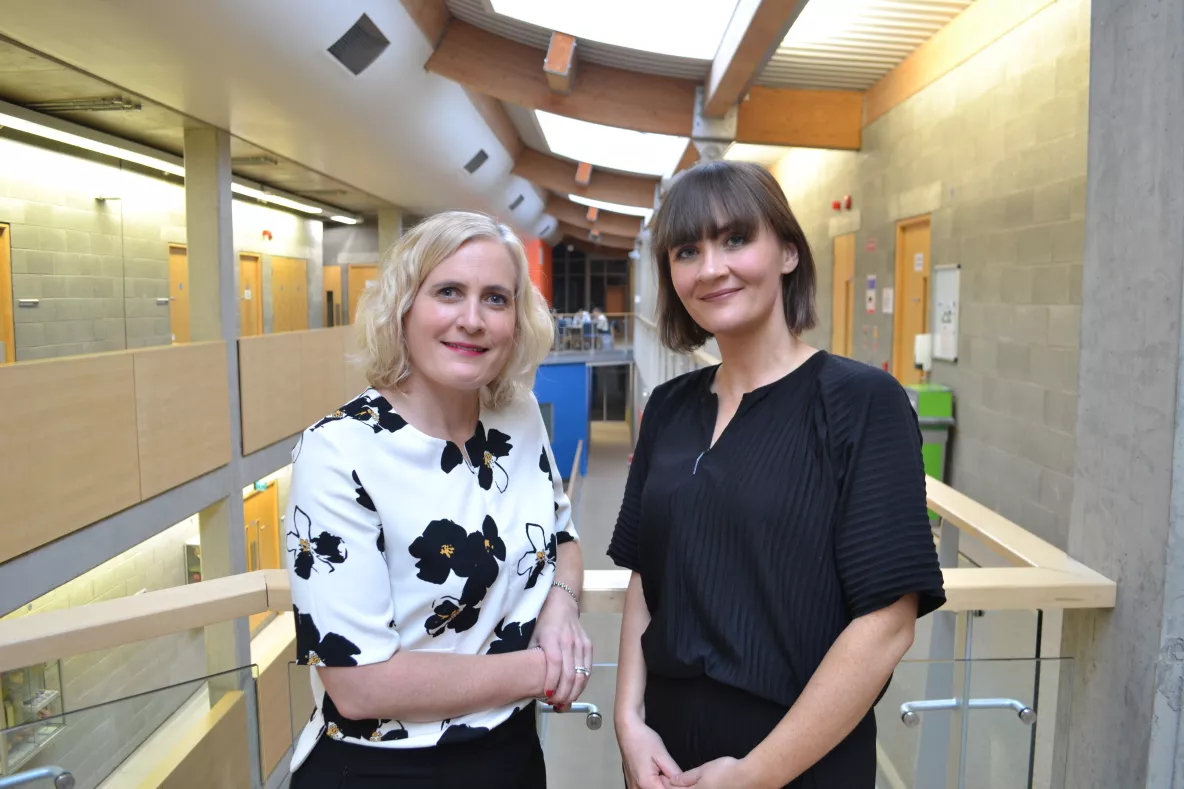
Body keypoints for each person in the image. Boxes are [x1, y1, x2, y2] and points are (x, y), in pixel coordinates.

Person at [608, 161, 945, 789]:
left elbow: (887, 621)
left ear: (788, 251)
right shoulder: (670, 408)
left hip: (800, 755)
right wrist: (630, 722)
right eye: (688, 250)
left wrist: (755, 775)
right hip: (663, 753)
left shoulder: (860, 402)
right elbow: (645, 580)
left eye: (735, 239)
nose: (711, 267)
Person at [286, 211, 592, 789]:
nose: (471, 320)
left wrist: (561, 606)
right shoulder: (338, 452)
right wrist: (544, 667)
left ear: (515, 322)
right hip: (386, 769)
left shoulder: (518, 416)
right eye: (448, 291)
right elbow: (359, 686)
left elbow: (562, 539)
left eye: (495, 299)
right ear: (404, 307)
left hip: (512, 753)